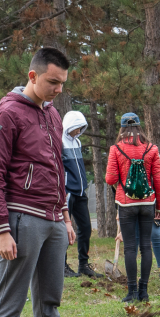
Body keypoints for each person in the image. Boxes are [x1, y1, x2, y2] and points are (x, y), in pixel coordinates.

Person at [0, 47, 99, 317]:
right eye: (52, 82)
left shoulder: (53, 115)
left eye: (62, 83)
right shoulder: (7, 115)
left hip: (52, 222)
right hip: (21, 220)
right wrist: (2, 229)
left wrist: (65, 217)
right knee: (10, 304)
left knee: (49, 300)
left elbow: (56, 172)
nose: (58, 89)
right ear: (32, 76)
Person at [105, 113, 160, 303]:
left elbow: (110, 179)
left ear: (122, 128)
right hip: (148, 203)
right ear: (140, 127)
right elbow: (158, 180)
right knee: (146, 247)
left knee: (130, 248)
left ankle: (131, 292)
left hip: (126, 203)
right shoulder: (151, 149)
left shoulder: (116, 149)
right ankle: (144, 291)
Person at [62, 110, 98, 278]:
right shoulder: (60, 142)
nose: (78, 131)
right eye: (76, 127)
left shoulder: (77, 143)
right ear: (69, 125)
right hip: (68, 192)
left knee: (85, 228)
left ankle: (83, 265)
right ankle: (62, 265)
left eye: (81, 128)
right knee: (64, 230)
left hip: (80, 192)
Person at [117, 211, 160, 282]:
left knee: (156, 235)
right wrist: (119, 210)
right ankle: (131, 276)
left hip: (149, 205)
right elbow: (117, 199)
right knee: (134, 239)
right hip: (131, 205)